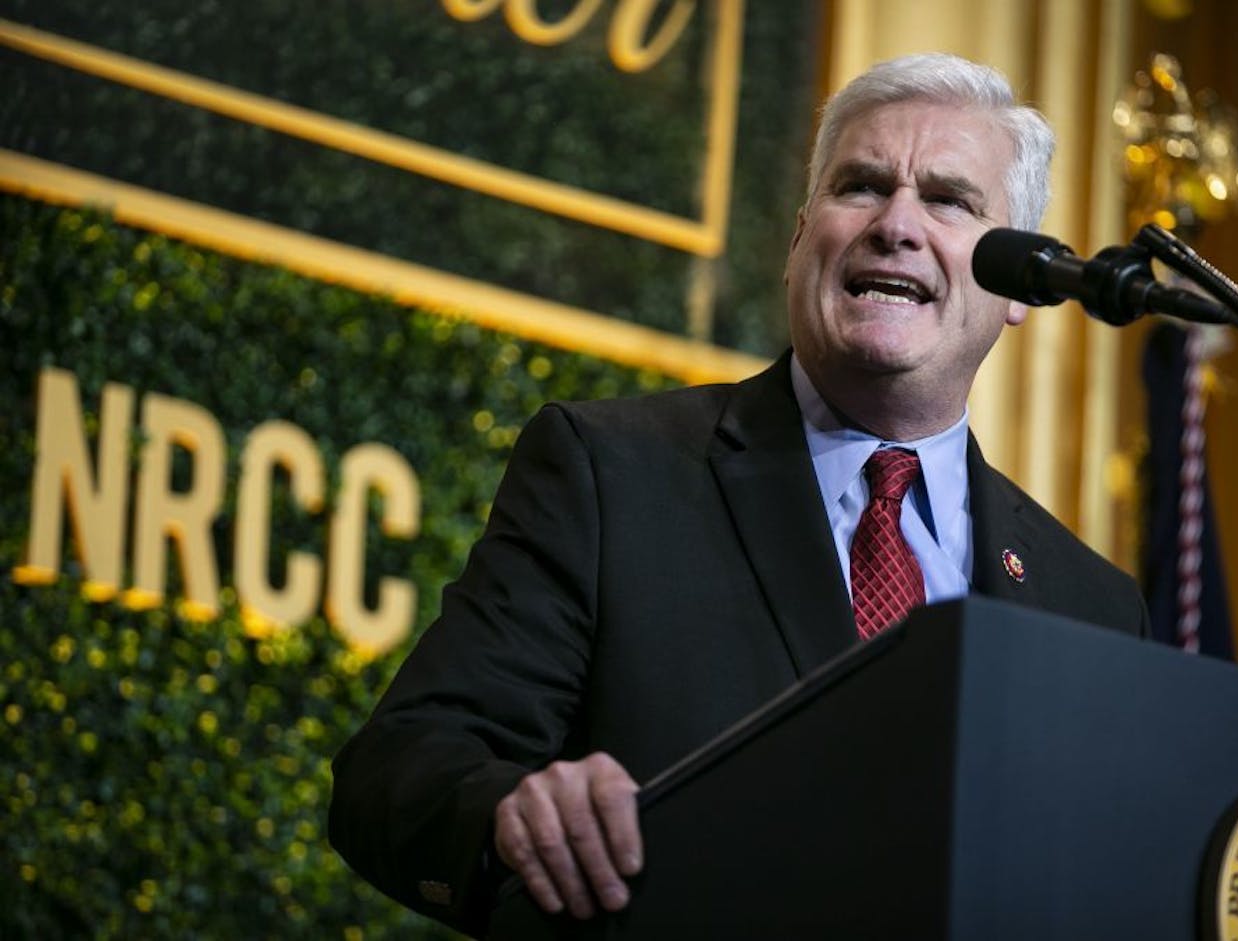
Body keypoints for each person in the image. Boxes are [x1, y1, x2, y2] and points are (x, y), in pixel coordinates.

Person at [328, 51, 1149, 936]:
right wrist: (511, 815)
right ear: (800, 238)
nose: (897, 224)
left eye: (950, 200)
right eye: (861, 187)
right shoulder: (612, 473)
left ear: (1021, 287)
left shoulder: (1094, 604)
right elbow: (398, 771)